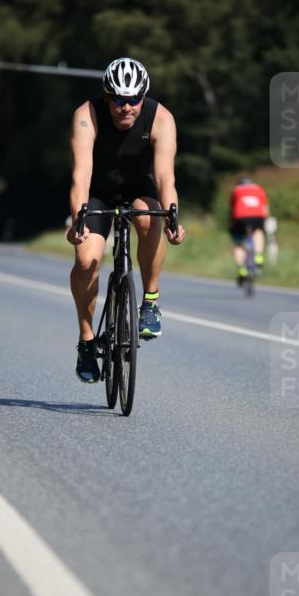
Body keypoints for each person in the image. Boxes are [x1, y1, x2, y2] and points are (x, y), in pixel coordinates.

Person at [66, 56, 186, 383]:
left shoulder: (161, 118)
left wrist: (173, 215)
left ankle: (150, 302)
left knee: (150, 219)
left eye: (134, 99)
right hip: (99, 192)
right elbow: (81, 176)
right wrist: (78, 219)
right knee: (86, 259)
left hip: (140, 186)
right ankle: (87, 340)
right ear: (107, 97)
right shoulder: (86, 116)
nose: (127, 107)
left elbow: (165, 179)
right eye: (119, 99)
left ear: (143, 97)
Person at [229, 175, 269, 285]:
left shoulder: (236, 190)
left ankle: (242, 270)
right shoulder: (259, 188)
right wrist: (263, 222)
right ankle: (259, 256)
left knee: (238, 243)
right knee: (258, 232)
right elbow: (265, 209)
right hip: (257, 216)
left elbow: (232, 210)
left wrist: (231, 225)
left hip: (240, 217)